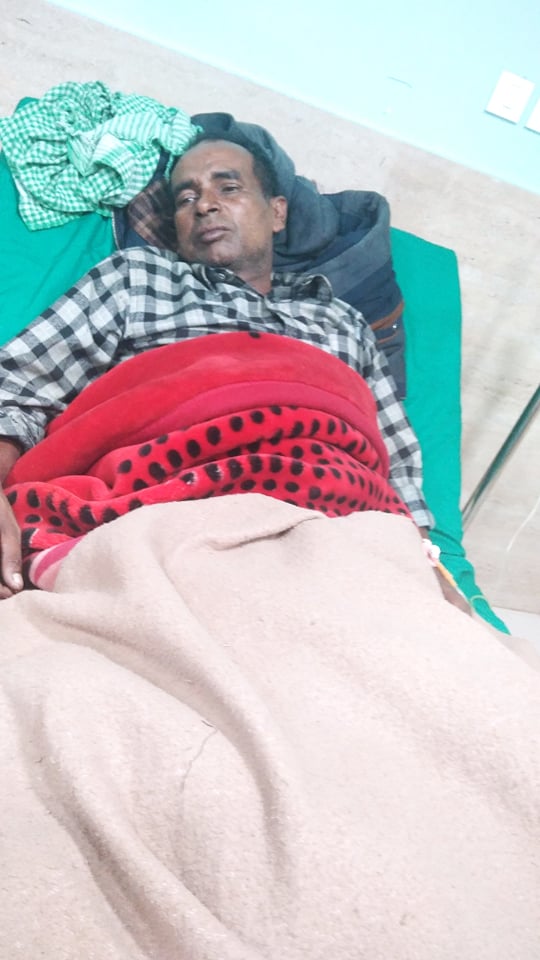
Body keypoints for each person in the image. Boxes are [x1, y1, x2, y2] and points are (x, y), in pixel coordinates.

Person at [0, 133, 466, 609]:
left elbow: (393, 462)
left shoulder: (342, 321)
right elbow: (16, 388)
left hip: (332, 530)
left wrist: (428, 569)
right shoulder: (136, 277)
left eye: (228, 188)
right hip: (164, 510)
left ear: (277, 212)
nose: (205, 205)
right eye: (186, 198)